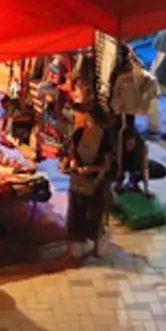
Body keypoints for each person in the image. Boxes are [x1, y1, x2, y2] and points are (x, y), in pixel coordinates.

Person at [63, 104, 113, 261]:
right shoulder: (79, 133)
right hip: (78, 179)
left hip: (96, 182)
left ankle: (97, 246)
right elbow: (72, 152)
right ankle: (72, 249)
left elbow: (107, 165)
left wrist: (91, 169)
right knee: (74, 214)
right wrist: (73, 163)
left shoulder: (105, 138)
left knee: (94, 214)